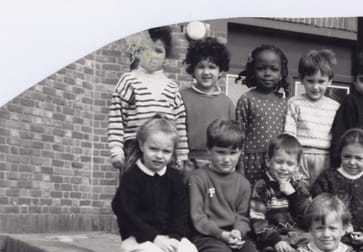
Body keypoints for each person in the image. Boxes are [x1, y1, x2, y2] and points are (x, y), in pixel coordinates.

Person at [111, 117, 207, 252]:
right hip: (138, 237)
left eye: (166, 151)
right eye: (153, 149)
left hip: (169, 237)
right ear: (142, 145)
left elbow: (181, 212)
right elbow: (126, 213)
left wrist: (175, 237)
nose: (159, 156)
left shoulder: (174, 178)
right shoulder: (132, 178)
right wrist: (154, 238)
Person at [188, 119, 265, 252]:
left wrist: (238, 232)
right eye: (221, 152)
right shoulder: (198, 179)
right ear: (209, 150)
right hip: (208, 236)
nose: (227, 159)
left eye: (233, 153)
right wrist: (221, 234)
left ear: (240, 152)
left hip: (235, 235)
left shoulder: (243, 183)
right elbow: (198, 217)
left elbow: (243, 216)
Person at [249, 133, 312, 252]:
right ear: (268, 161)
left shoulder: (297, 186)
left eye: (290, 164)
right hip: (275, 238)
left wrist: (293, 195)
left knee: (318, 251)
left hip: (298, 235)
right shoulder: (262, 187)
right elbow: (257, 219)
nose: (284, 168)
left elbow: (308, 216)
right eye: (279, 162)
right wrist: (275, 240)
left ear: (297, 166)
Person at [108, 27, 188, 172]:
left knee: (164, 186)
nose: (152, 55)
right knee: (134, 185)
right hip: (135, 149)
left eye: (158, 51)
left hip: (164, 150)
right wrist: (116, 149)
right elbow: (117, 118)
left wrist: (181, 154)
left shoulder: (171, 87)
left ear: (166, 55)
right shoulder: (129, 80)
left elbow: (180, 124)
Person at [311, 128, 363, 252]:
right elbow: (315, 211)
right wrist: (338, 230)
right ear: (340, 153)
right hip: (332, 240)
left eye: (358, 158)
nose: (352, 162)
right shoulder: (327, 178)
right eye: (347, 156)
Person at [283, 49, 340, 185]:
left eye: (321, 81)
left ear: (330, 81)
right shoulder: (294, 103)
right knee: (300, 191)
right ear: (301, 79)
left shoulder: (335, 107)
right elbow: (289, 136)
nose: (315, 87)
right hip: (301, 156)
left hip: (325, 158)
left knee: (322, 192)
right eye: (310, 81)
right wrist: (292, 160)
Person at [235, 44, 289, 183]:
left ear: (281, 73)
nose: (267, 73)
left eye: (274, 69)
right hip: (251, 162)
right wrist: (240, 165)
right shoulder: (247, 99)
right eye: (261, 68)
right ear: (252, 71)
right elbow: (239, 134)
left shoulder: (285, 102)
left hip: (277, 162)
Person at [180, 37, 235, 171]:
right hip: (188, 163)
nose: (206, 72)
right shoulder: (181, 97)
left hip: (219, 163)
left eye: (212, 67)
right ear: (193, 69)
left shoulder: (227, 103)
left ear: (220, 71)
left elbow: (233, 137)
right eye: (200, 67)